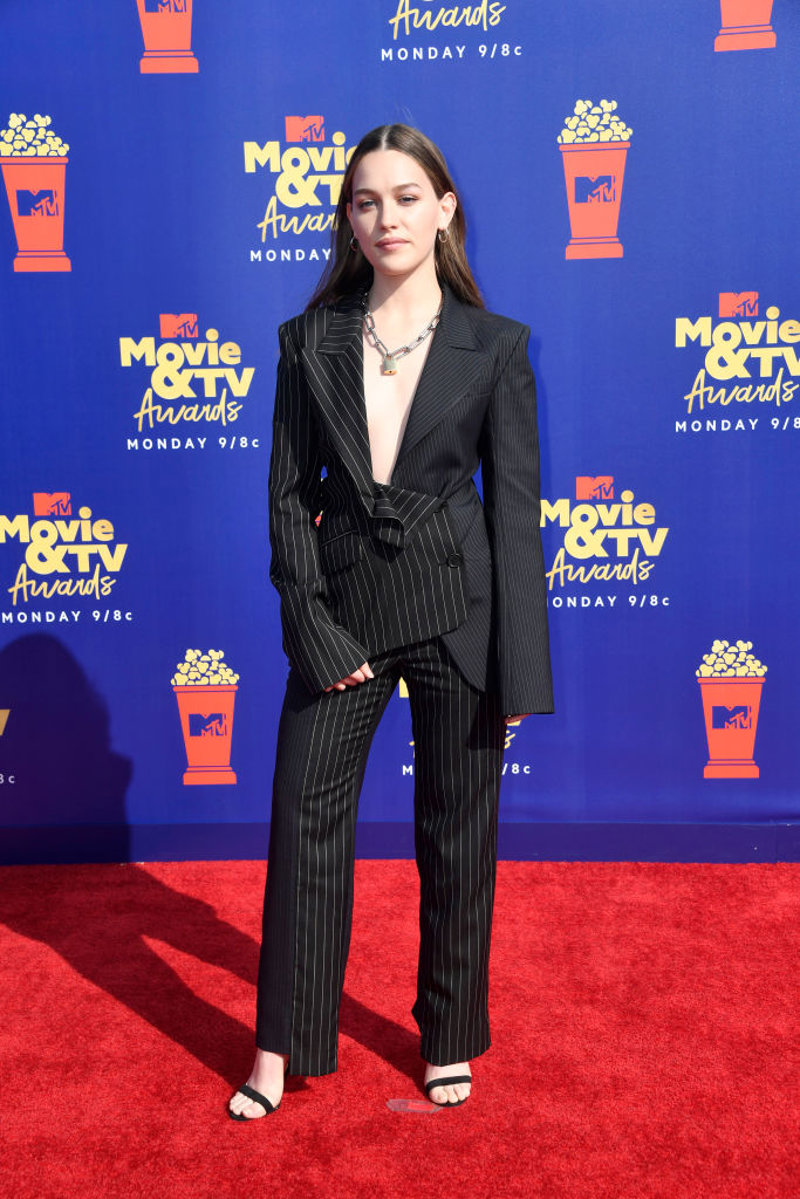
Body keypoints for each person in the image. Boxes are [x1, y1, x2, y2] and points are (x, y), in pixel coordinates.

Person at [228, 124, 553, 1120]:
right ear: (347, 219)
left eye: (407, 197)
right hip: (344, 615)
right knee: (303, 826)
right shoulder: (307, 340)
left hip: (459, 612)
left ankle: (448, 1035)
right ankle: (280, 1045)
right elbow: (287, 499)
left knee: (458, 837)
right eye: (365, 201)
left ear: (444, 208)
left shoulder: (496, 347)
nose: (386, 218)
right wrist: (310, 625)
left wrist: (519, 672)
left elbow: (515, 515)